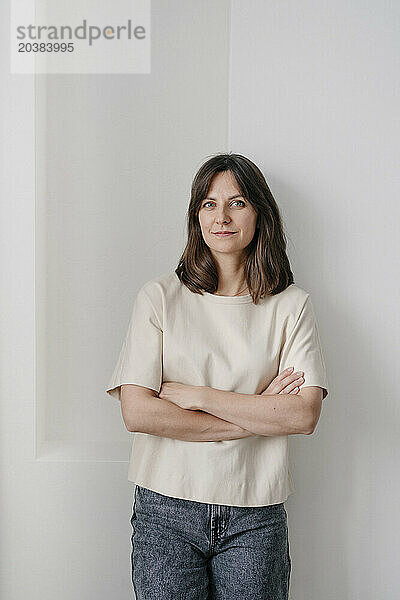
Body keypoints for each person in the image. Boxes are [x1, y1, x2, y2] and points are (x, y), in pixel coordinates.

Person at [105, 152, 329, 599]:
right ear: (195, 217)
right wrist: (261, 410)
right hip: (165, 508)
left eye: (237, 202)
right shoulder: (159, 297)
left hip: (256, 512)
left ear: (260, 212)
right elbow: (138, 413)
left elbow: (302, 416)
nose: (221, 216)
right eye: (208, 204)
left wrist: (197, 396)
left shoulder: (291, 305)